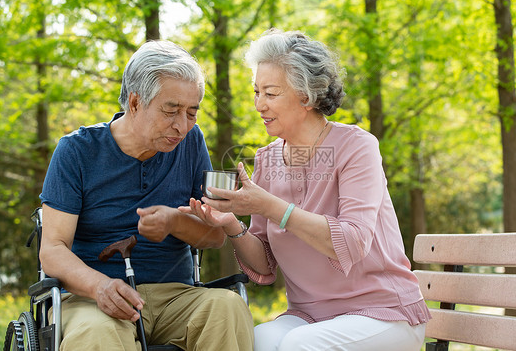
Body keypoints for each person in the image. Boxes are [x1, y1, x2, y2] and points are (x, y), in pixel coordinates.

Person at [181, 29, 431, 351]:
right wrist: (230, 223)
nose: (259, 104)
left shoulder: (356, 148)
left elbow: (352, 242)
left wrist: (269, 206)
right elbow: (265, 264)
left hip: (383, 314)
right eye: (256, 92)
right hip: (310, 316)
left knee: (300, 346)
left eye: (270, 94)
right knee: (251, 341)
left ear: (306, 96)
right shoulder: (267, 159)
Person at [39, 40, 254, 351]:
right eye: (171, 110)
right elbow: (53, 250)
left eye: (191, 112)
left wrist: (174, 222)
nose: (182, 125)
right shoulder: (76, 151)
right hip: (93, 299)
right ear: (136, 103)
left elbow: (214, 237)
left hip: (174, 295)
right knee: (97, 334)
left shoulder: (192, 142)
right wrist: (100, 287)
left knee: (227, 308)